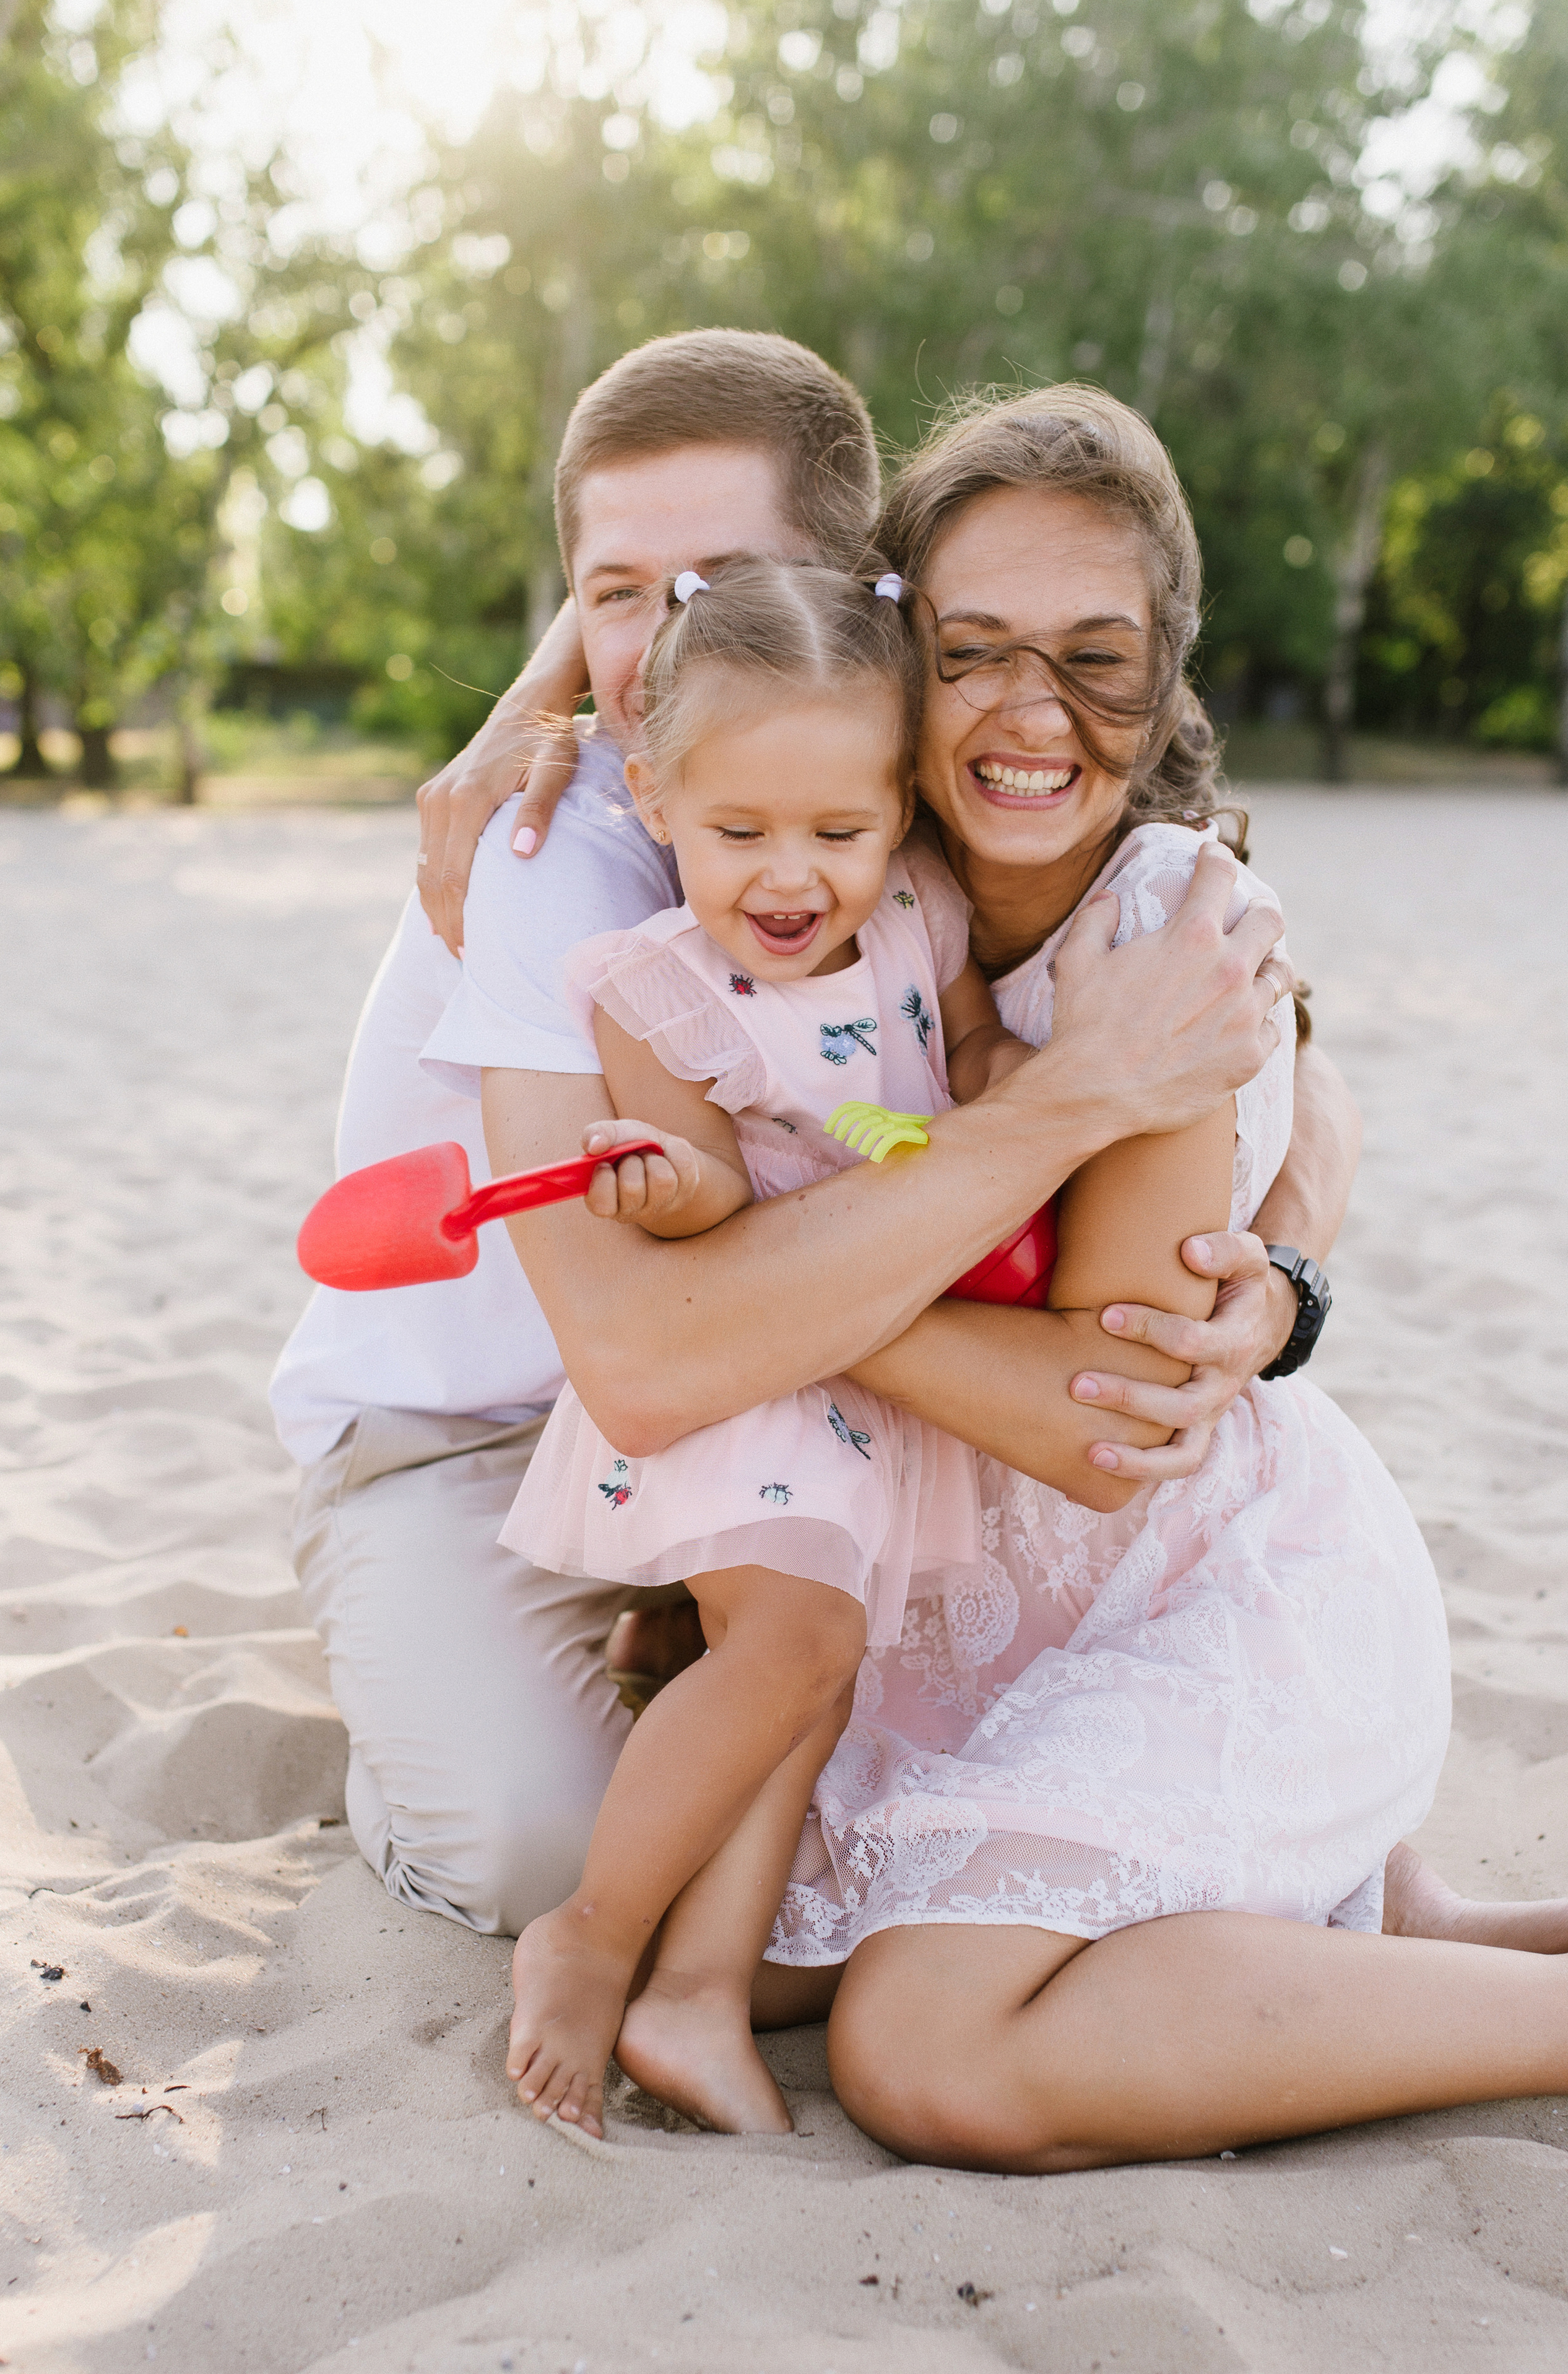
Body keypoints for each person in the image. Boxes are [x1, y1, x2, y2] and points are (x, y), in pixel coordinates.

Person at [495, 378, 1568, 2169]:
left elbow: (1107, 1420)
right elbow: (674, 629)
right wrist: (520, 720)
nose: (1028, 712)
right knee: (739, 1935)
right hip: (938, 1593)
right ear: (892, 654)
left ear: (1170, 677)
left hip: (1178, 1584)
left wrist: (766, 1281)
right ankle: (1386, 1927)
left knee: (924, 2049)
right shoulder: (852, 856)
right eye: (972, 650)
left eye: (1096, 659)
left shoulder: (1164, 929)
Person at [274, 329, 1349, 1943]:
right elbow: (645, 1363)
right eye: (613, 595)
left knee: (884, 1842)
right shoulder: (555, 849)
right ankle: (423, 1708)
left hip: (774, 1412)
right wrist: (1072, 1097)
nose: (661, 640)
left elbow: (1285, 1061)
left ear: (859, 602)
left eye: (717, 585)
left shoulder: (889, 817)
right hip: (472, 1437)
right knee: (549, 1858)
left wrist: (1286, 1270)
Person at [503, 553, 1050, 2135]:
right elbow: (710, 1189)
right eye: (738, 832)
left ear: (898, 811)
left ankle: (695, 1991)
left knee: (814, 1682)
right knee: (794, 1644)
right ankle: (591, 1937)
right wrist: (667, 1184)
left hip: (876, 1379)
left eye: (838, 831)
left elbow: (968, 1051)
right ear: (657, 800)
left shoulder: (920, 914)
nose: (791, 875)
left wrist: (1012, 1100)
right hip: (758, 1373)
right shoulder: (654, 991)